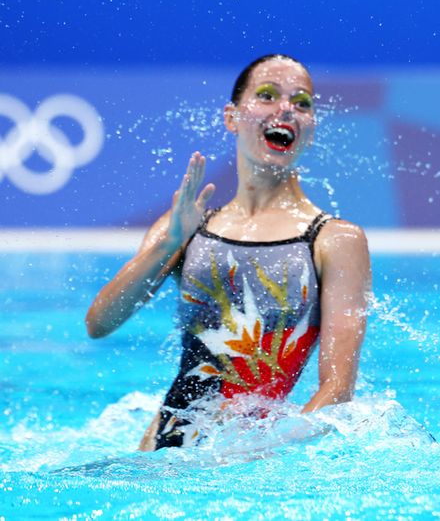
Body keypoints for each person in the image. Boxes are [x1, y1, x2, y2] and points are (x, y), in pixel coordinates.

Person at [86, 54, 371, 451]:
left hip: (248, 462)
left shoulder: (334, 240)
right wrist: (170, 243)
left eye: (302, 102)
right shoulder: (189, 223)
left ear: (310, 128)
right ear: (232, 117)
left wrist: (252, 457)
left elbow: (337, 393)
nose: (286, 108)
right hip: (159, 453)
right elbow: (100, 323)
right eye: (268, 95)